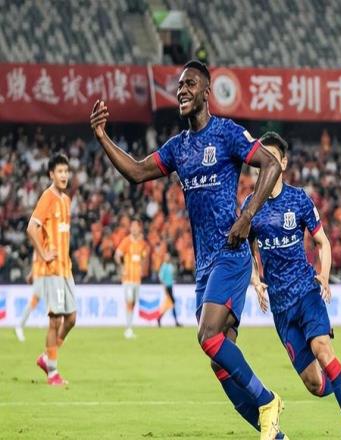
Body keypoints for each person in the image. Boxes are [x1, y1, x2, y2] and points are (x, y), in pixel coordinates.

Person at [90, 60, 286, 440]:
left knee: (207, 336)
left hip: (230, 253)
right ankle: (274, 434)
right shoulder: (178, 148)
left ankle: (268, 401)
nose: (182, 90)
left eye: (190, 84)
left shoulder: (226, 133)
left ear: (206, 93)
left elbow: (271, 164)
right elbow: (136, 172)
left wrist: (247, 216)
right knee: (219, 359)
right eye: (179, 86)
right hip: (204, 265)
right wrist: (102, 136)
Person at [245, 132, 341, 440]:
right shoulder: (251, 206)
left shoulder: (298, 199)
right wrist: (255, 280)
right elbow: (245, 248)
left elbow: (323, 242)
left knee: (323, 350)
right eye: (263, 158)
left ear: (283, 163)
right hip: (280, 308)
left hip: (306, 293)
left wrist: (324, 275)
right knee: (315, 385)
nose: (267, 163)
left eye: (273, 157)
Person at [26, 153, 77, 386]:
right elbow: (32, 227)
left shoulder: (66, 200)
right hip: (53, 270)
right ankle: (53, 373)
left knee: (71, 319)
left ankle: (47, 357)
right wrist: (43, 254)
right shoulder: (47, 197)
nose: (64, 175)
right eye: (60, 172)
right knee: (55, 320)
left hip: (67, 269)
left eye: (66, 171)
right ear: (51, 174)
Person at [115, 219, 149, 339]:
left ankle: (129, 327)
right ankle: (128, 329)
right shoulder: (126, 241)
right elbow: (117, 254)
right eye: (132, 227)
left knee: (133, 302)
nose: (133, 229)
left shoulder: (142, 243)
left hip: (137, 279)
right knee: (129, 301)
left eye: (136, 227)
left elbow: (144, 255)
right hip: (128, 278)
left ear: (139, 229)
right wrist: (121, 268)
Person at [15, 252, 44, 342]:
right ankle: (20, 326)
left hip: (46, 276)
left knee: (52, 300)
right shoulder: (42, 246)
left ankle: (58, 330)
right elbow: (39, 261)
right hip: (41, 276)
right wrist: (32, 275)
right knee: (35, 300)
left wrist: (31, 274)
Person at [157, 251, 181, 327]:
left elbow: (173, 274)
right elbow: (161, 278)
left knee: (170, 304)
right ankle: (175, 321)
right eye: (166, 257)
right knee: (171, 303)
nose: (168, 258)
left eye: (168, 257)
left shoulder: (171, 266)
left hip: (170, 287)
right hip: (167, 287)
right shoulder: (164, 266)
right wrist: (164, 288)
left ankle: (160, 318)